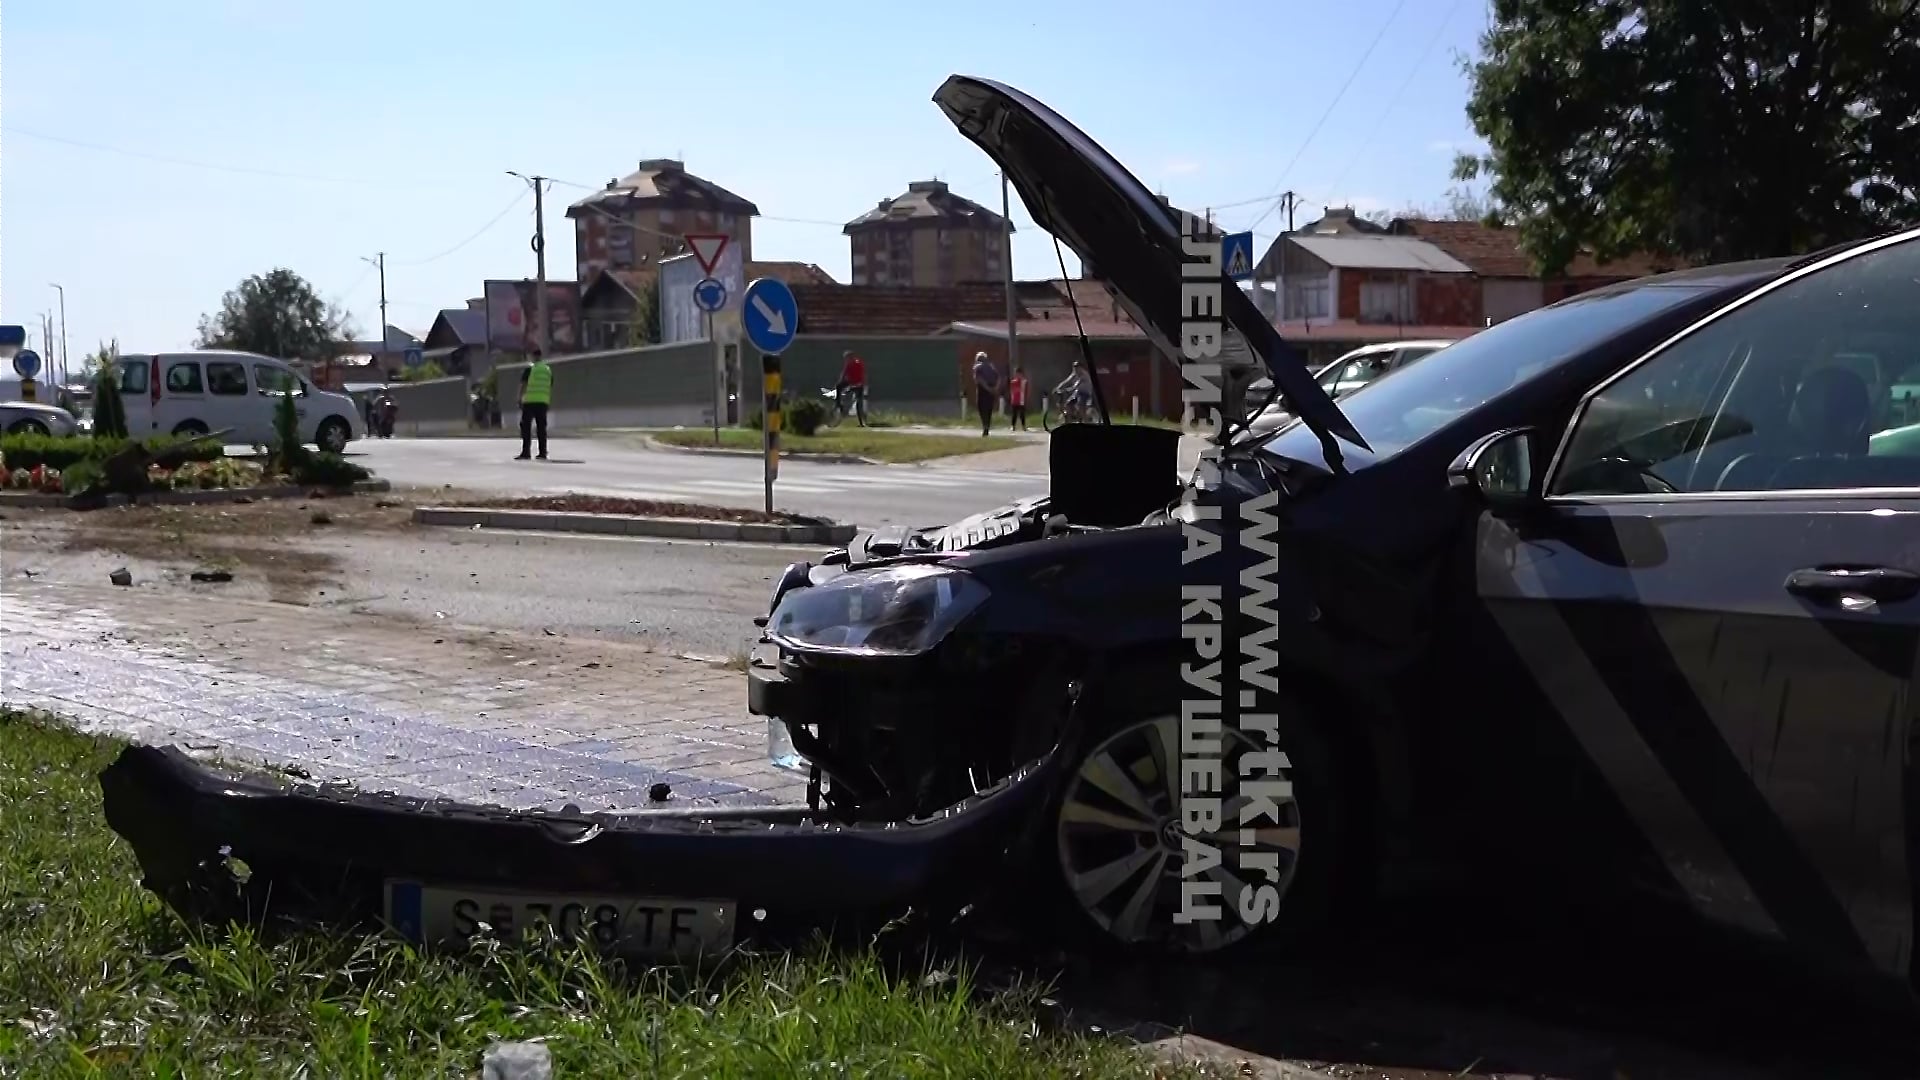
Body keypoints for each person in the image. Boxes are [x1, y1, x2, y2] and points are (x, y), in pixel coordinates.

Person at [515, 346, 553, 461]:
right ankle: (542, 452)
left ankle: (526, 452)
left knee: (526, 427)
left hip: (530, 401)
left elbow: (523, 384)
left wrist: (519, 398)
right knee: (541, 428)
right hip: (543, 402)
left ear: (532, 356)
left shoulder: (530, 369)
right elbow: (550, 385)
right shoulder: (547, 370)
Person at [971, 351, 1000, 436]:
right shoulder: (992, 367)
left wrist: (987, 388)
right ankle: (987, 426)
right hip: (992, 389)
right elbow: (998, 378)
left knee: (982, 408)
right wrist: (995, 388)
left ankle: (985, 426)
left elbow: (979, 379)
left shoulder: (977, 367)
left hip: (982, 390)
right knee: (989, 409)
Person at [837, 349, 869, 427]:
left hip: (858, 384)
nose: (846, 360)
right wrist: (840, 382)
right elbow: (844, 374)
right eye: (845, 359)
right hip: (850, 382)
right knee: (838, 387)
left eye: (847, 358)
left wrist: (859, 384)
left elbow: (862, 374)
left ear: (851, 357)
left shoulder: (858, 363)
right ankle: (839, 404)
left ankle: (861, 423)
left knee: (859, 403)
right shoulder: (848, 364)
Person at [1007, 364, 1031, 431]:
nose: (1017, 375)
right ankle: (1013, 426)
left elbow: (1027, 390)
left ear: (1021, 374)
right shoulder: (1013, 382)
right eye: (1016, 373)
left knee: (1022, 414)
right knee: (1014, 414)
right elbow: (1012, 390)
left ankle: (1023, 426)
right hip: (1015, 400)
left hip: (1022, 400)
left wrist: (1027, 398)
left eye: (1019, 373)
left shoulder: (1024, 381)